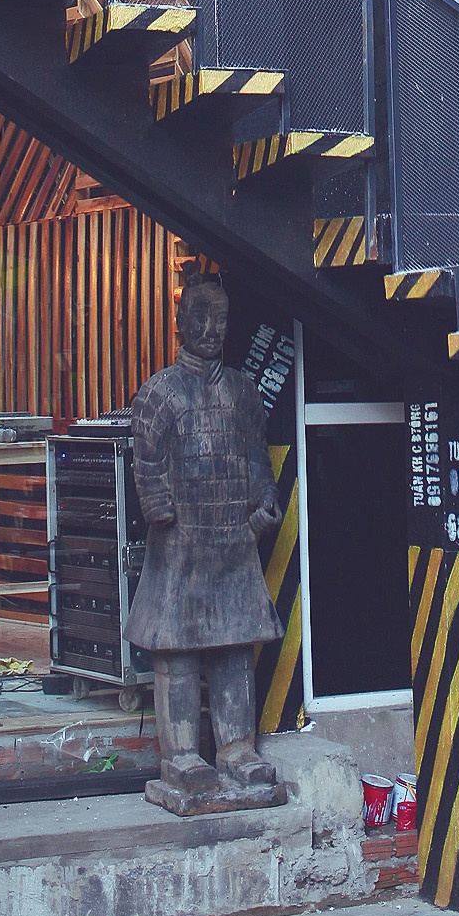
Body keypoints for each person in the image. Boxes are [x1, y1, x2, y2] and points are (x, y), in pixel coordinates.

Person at [125, 275, 284, 813]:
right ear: (179, 322)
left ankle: (237, 749)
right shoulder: (160, 393)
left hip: (234, 542)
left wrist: (266, 500)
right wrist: (159, 507)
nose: (211, 329)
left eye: (220, 319)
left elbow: (257, 459)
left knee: (234, 647)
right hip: (181, 546)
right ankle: (182, 756)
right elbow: (146, 460)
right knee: (179, 652)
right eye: (200, 317)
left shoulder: (242, 393)